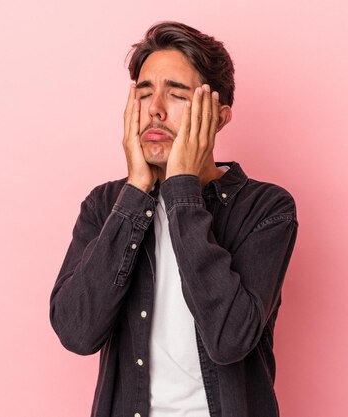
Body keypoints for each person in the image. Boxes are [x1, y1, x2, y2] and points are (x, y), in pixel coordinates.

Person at [50, 21, 298, 417]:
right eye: (144, 93)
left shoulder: (266, 207)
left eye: (177, 94)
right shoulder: (106, 204)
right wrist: (134, 193)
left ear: (219, 116)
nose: (155, 109)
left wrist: (181, 190)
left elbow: (230, 338)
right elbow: (77, 332)